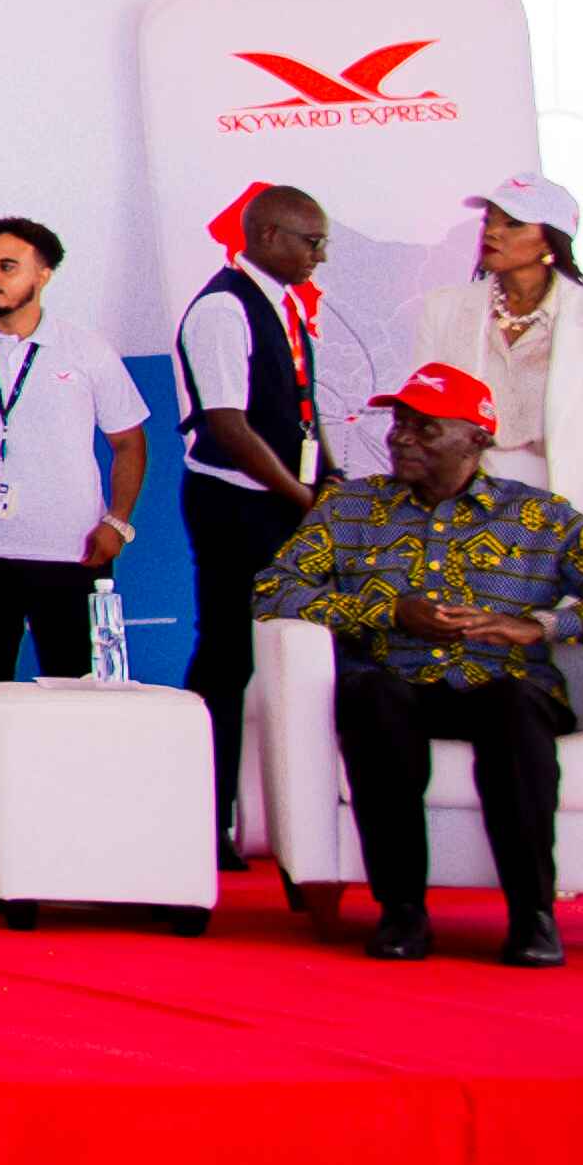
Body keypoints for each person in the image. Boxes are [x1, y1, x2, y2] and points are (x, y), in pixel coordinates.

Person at [253, 360, 583, 966]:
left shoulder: (539, 517)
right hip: (397, 680)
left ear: (477, 439)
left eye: (424, 427)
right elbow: (274, 589)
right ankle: (402, 912)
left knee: (514, 706)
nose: (401, 437)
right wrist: (390, 612)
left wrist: (539, 626)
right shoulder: (351, 508)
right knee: (372, 698)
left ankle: (533, 916)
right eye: (399, 422)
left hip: (503, 684)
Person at [0, 212, 144, 860]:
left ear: (43, 274)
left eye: (6, 266)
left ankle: (70, 826)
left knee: (73, 692)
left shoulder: (86, 350)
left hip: (70, 555)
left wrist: (117, 522)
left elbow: (129, 443)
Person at [170, 183, 332, 865]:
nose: (320, 256)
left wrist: (328, 484)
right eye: (311, 241)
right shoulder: (221, 308)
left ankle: (288, 821)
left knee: (295, 655)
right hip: (234, 504)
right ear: (267, 236)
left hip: (285, 499)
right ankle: (204, 822)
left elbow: (298, 410)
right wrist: (301, 497)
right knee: (227, 656)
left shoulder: (282, 305)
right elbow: (227, 426)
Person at [412, 175, 583, 566]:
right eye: (489, 220)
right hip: (466, 516)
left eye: (513, 223)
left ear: (549, 241)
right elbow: (421, 423)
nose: (492, 232)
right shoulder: (444, 309)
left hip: (564, 516)